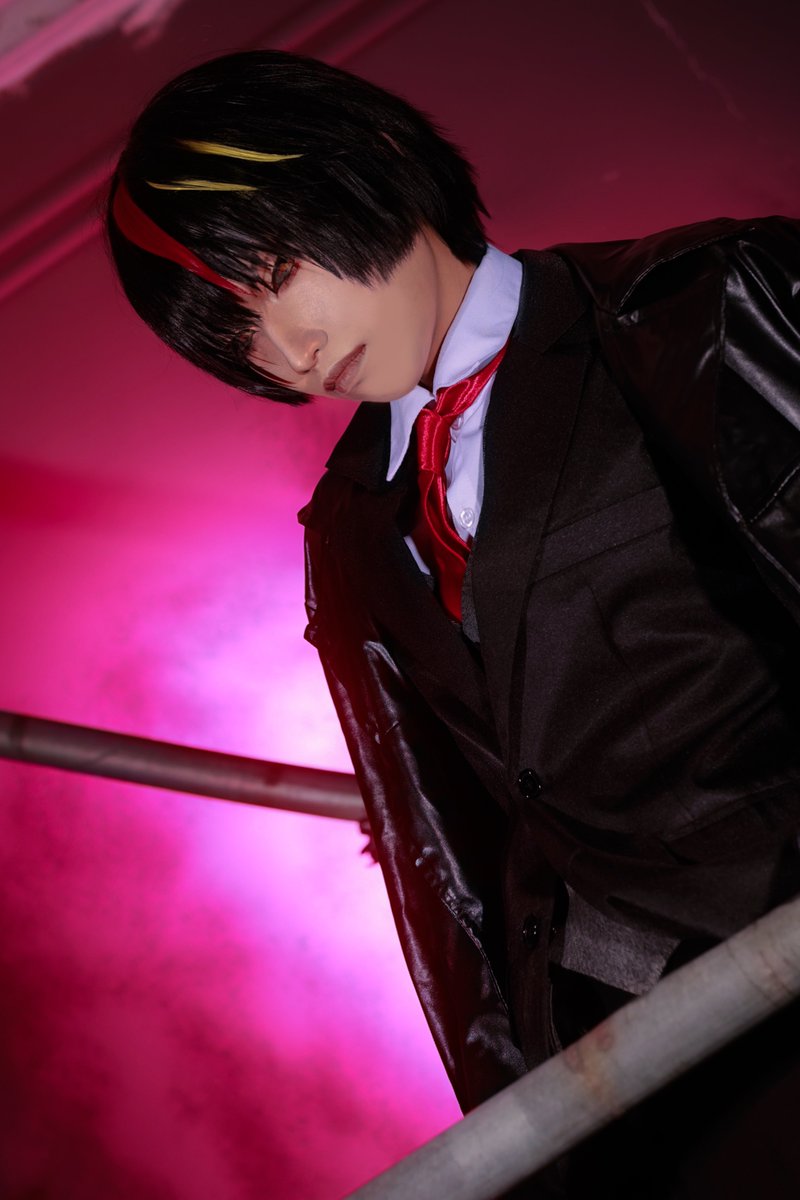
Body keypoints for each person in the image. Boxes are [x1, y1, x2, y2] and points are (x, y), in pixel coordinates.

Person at [106, 48, 800, 1198]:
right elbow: (453, 860)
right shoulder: (349, 527)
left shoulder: (691, 306)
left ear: (370, 161)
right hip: (632, 1096)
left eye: (275, 274)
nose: (290, 354)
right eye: (236, 341)